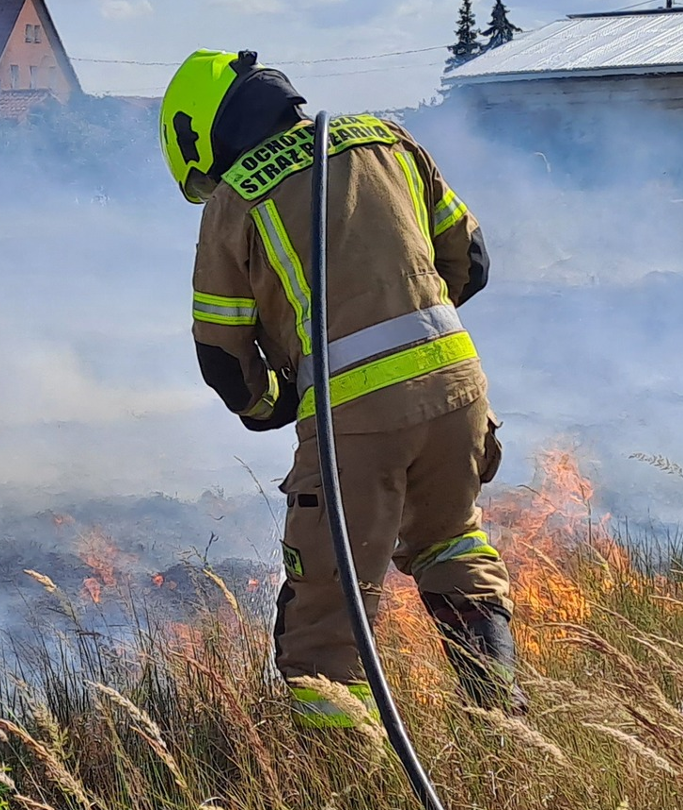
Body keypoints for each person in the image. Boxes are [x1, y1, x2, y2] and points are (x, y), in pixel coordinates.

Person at [160, 49, 522, 726]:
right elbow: (470, 261)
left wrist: (272, 404)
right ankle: (503, 722)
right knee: (451, 543)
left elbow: (224, 359)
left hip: (352, 421)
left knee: (327, 611)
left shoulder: (236, 198)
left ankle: (344, 769)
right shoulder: (388, 139)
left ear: (201, 133)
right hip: (459, 391)